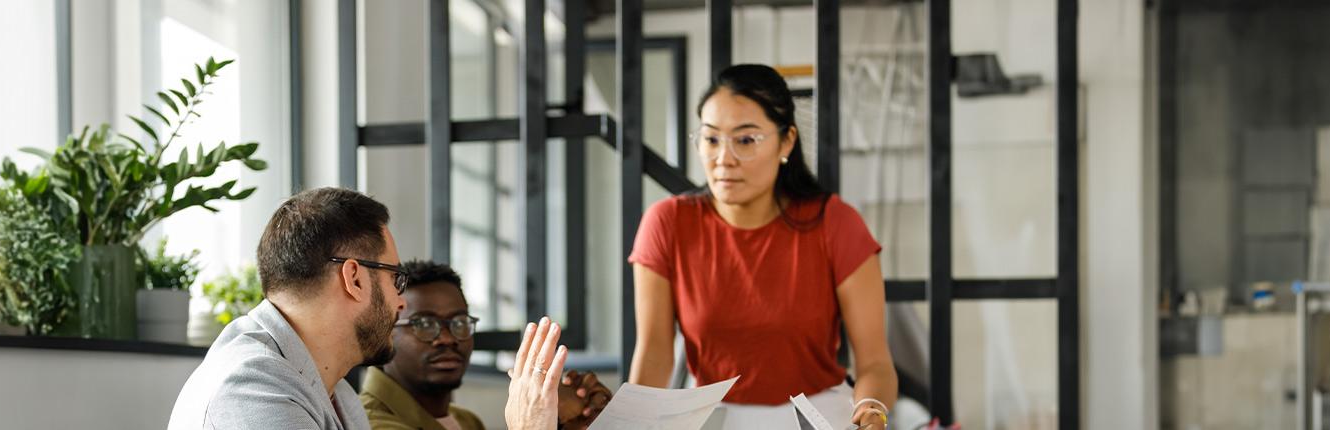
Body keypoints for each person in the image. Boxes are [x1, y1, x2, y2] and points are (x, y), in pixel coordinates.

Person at [626, 65, 897, 428]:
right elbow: (654, 354)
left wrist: (873, 411)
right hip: (712, 417)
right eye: (711, 139)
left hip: (816, 416)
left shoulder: (835, 223)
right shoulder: (667, 224)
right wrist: (630, 424)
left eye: (746, 140)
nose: (724, 159)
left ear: (786, 142)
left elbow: (875, 363)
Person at [169, 187, 569, 430]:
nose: (399, 300)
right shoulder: (254, 394)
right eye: (395, 279)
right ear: (355, 278)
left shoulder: (335, 391)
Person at [361, 260, 613, 430]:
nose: (448, 338)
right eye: (425, 324)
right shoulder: (368, 423)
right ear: (387, 330)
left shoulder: (466, 421)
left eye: (459, 322)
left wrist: (560, 423)